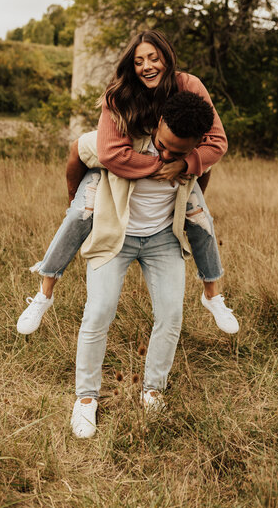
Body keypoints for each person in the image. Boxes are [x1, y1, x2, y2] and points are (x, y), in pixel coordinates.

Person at [17, 30, 237, 338]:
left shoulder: (189, 85)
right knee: (81, 209)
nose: (147, 66)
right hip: (119, 151)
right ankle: (44, 292)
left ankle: (212, 295)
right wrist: (161, 166)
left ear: (167, 58)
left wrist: (184, 166)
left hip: (168, 155)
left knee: (199, 213)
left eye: (153, 58)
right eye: (139, 61)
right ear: (131, 67)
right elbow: (109, 154)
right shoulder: (120, 92)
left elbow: (217, 142)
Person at [70, 91, 237, 438]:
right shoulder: (119, 141)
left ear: (195, 145)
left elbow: (200, 181)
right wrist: (73, 204)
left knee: (171, 315)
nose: (167, 156)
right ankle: (86, 399)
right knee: (99, 310)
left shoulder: (193, 157)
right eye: (164, 146)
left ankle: (153, 390)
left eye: (179, 152)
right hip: (115, 235)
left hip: (163, 240)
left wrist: (189, 164)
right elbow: (77, 153)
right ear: (159, 123)